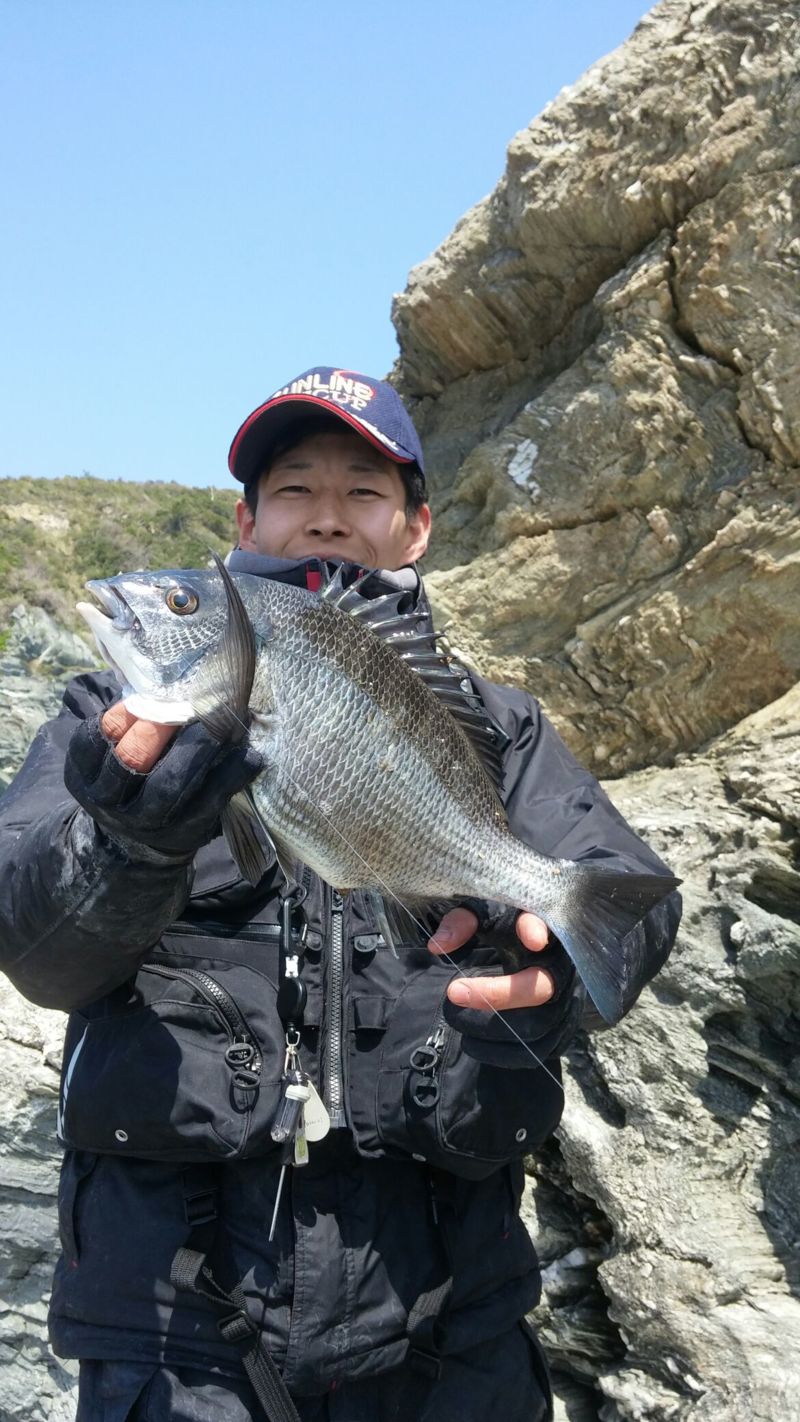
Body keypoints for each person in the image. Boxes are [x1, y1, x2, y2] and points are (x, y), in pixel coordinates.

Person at [0, 366, 680, 1422]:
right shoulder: (108, 715)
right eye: (294, 489)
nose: (325, 515)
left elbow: (630, 905)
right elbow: (38, 953)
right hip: (173, 1333)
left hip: (448, 1323)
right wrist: (127, 838)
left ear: (412, 530)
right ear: (246, 519)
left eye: (362, 493)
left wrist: (552, 970)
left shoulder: (498, 726)